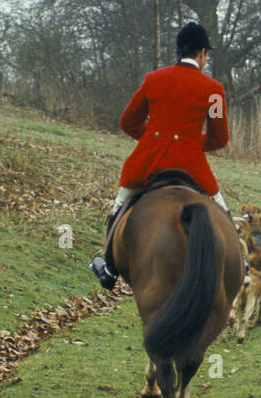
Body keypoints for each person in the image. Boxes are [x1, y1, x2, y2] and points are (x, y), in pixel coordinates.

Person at [89, 21, 230, 290]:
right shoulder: (213, 91)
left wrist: (154, 138)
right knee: (222, 211)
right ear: (201, 53)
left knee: (119, 207)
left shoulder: (153, 80)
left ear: (179, 51)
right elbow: (218, 139)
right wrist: (189, 142)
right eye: (207, 55)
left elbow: (127, 122)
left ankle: (108, 267)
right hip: (193, 169)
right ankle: (241, 265)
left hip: (148, 164)